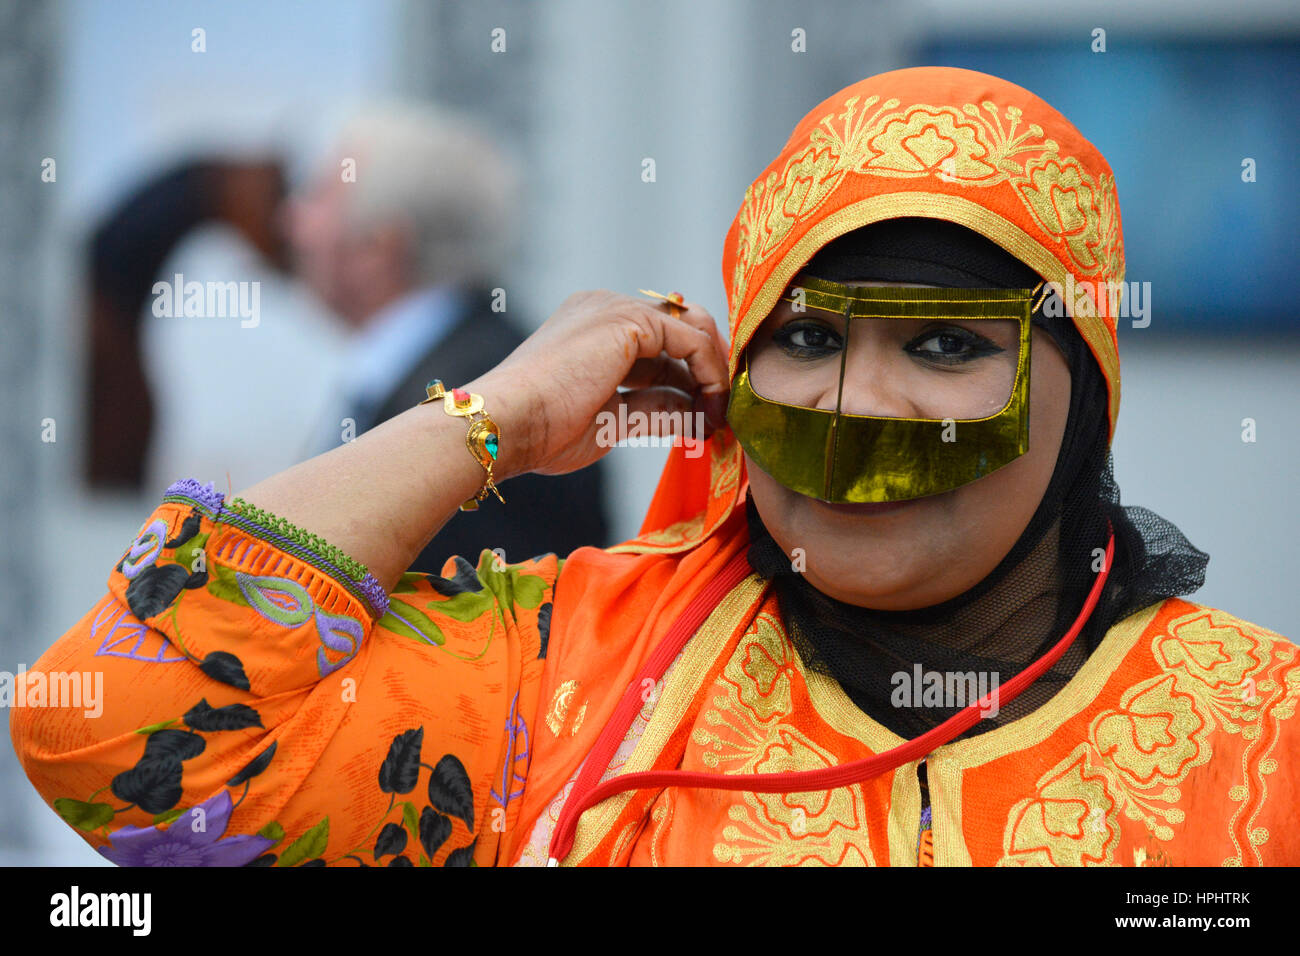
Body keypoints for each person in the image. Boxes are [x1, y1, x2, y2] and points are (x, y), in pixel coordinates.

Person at [13, 67, 1296, 867]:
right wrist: (495, 417)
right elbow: (107, 729)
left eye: (949, 344)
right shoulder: (570, 680)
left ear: (1085, 403)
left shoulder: (1266, 736)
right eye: (802, 337)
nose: (856, 409)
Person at [288, 103, 610, 569]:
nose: (291, 221)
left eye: (316, 196)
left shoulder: (479, 394)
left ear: (379, 247)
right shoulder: (470, 366)